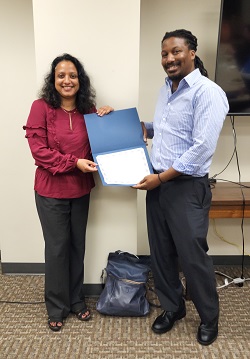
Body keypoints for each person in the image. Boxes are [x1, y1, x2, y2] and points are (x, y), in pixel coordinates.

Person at [134, 29, 229, 345]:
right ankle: (173, 309)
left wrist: (160, 179)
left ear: (192, 53)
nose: (169, 58)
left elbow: (201, 148)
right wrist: (143, 127)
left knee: (192, 257)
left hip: (185, 187)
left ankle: (209, 318)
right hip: (158, 185)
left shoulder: (208, 92)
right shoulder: (166, 89)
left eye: (175, 51)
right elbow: (168, 131)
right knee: (161, 254)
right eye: (164, 53)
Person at [23, 53, 113, 332]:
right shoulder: (40, 107)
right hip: (50, 191)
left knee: (77, 246)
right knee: (58, 249)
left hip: (80, 190)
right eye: (61, 75)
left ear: (80, 80)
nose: (67, 80)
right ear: (53, 80)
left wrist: (107, 119)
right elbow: (39, 152)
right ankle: (56, 306)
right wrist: (73, 162)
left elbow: (99, 145)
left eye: (72, 75)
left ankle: (76, 301)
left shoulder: (88, 109)